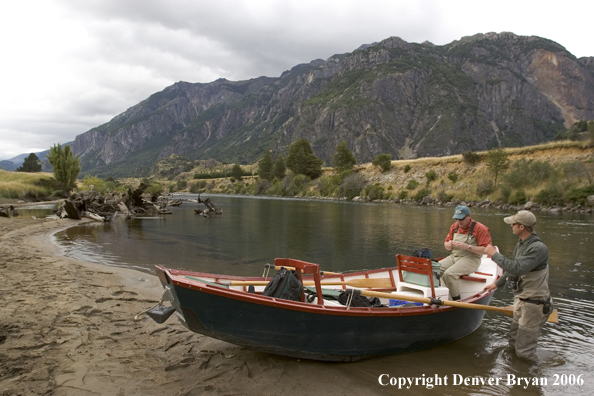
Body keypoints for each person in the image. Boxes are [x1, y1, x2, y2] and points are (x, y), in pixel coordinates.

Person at [484, 210, 552, 362]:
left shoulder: (537, 248)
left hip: (534, 304)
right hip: (522, 301)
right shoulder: (521, 245)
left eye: (513, 224)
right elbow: (511, 271)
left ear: (522, 227)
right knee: (513, 342)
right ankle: (516, 376)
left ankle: (529, 380)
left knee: (524, 352)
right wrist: (496, 284)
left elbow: (517, 268)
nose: (511, 226)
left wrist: (494, 254)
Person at [439, 205, 492, 301]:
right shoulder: (454, 226)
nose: (459, 222)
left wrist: (468, 247)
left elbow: (487, 249)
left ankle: (457, 301)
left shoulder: (480, 228)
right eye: (457, 219)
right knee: (433, 270)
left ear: (469, 216)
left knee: (449, 274)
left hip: (471, 259)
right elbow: (446, 244)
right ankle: (438, 297)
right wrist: (449, 245)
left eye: (462, 219)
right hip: (454, 256)